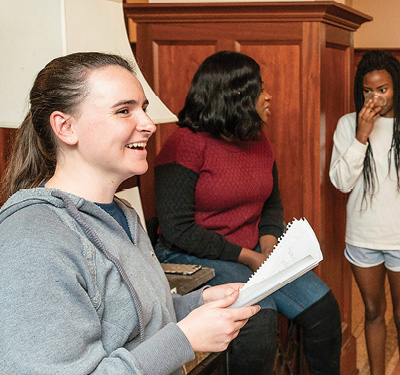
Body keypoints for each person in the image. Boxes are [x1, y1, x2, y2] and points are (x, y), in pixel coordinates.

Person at [0, 52, 259, 374]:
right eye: (124, 111)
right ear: (65, 127)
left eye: (143, 109)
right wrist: (185, 338)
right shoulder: (32, 240)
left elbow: (129, 318)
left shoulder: (121, 213)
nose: (148, 125)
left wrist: (197, 304)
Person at [153, 51, 341, 375]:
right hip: (195, 254)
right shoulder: (183, 144)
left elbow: (271, 203)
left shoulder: (257, 138)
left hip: (254, 252)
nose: (268, 95)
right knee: (259, 318)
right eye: (259, 88)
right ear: (235, 95)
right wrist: (247, 257)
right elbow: (177, 228)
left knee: (323, 310)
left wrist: (268, 245)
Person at [329, 50, 400, 375]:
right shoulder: (349, 124)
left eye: (382, 89)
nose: (375, 98)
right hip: (363, 238)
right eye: (367, 91)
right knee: (372, 312)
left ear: (396, 87)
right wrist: (362, 134)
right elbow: (341, 183)